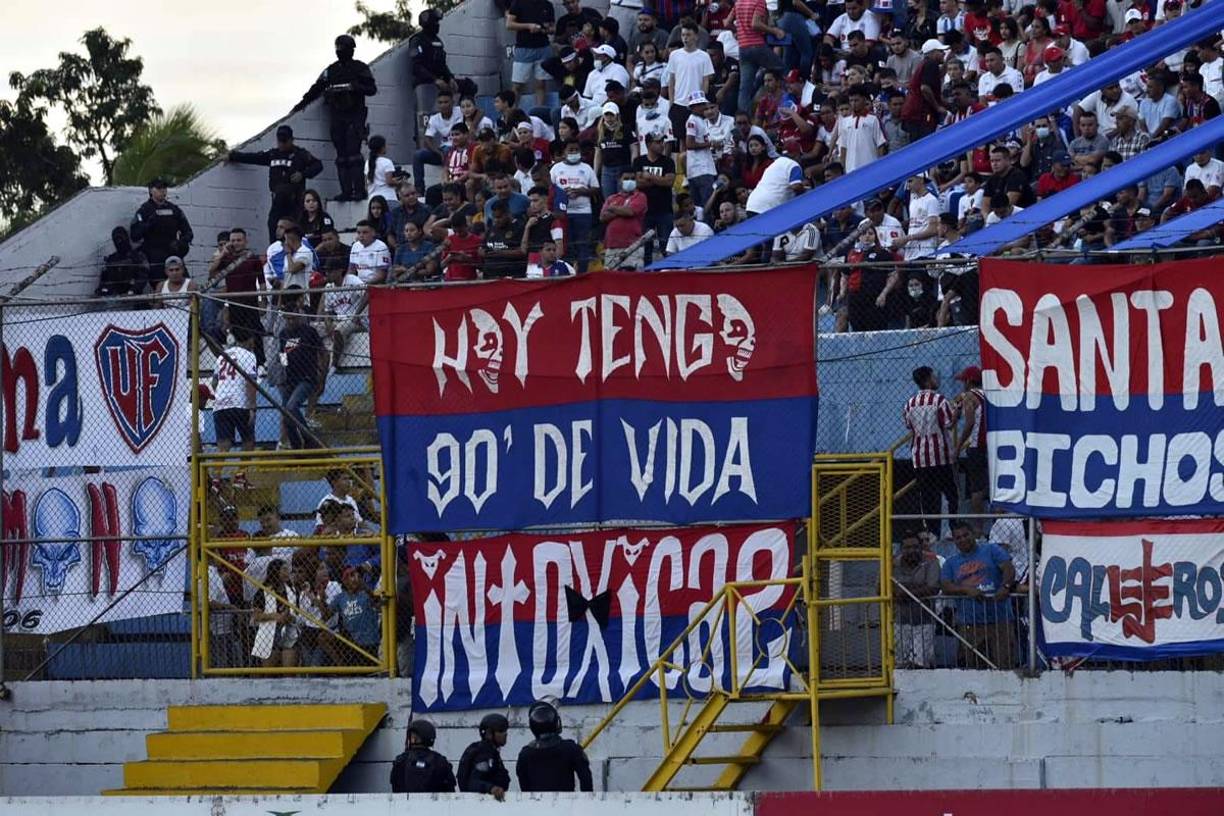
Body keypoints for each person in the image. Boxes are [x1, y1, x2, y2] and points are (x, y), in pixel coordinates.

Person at [292, 35, 378, 201]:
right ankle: (346, 192)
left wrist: (354, 87)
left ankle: (359, 191)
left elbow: (371, 89)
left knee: (354, 155)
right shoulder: (331, 70)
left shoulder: (359, 68)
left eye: (344, 48)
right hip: (338, 116)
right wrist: (299, 106)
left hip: (355, 116)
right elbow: (316, 89)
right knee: (341, 157)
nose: (341, 52)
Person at [228, 125, 324, 242]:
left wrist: (303, 174)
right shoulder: (273, 154)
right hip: (277, 199)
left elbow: (318, 165)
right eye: (280, 141)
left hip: (295, 200)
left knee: (294, 228)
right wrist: (232, 156)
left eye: (285, 141)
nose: (282, 144)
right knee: (274, 227)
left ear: (291, 140)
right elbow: (254, 157)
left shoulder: (300, 154)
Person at [940, 521, 1016, 669]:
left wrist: (1005, 586)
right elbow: (945, 585)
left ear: (973, 534)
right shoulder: (951, 563)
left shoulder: (992, 550)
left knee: (1004, 664)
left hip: (1000, 619)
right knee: (973, 667)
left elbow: (1008, 568)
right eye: (958, 537)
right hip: (970, 623)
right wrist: (966, 590)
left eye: (965, 535)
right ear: (954, 541)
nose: (962, 539)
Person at [903, 365, 959, 532]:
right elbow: (949, 424)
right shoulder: (940, 400)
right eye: (934, 377)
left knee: (927, 496)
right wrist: (957, 412)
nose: (937, 379)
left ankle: (932, 531)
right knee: (951, 493)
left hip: (919, 457)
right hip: (940, 455)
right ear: (928, 379)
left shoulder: (909, 404)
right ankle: (953, 526)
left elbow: (908, 425)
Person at [278, 292, 323, 450]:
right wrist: (284, 370)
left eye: (293, 318)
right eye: (287, 319)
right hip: (290, 379)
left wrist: (321, 375)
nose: (290, 322)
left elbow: (322, 352)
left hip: (306, 377)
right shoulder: (283, 334)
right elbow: (282, 354)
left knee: (291, 407)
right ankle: (296, 445)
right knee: (285, 413)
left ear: (298, 316)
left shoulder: (308, 332)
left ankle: (308, 437)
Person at [516, 701, 593, 792]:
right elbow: (586, 780)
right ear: (556, 723)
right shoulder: (571, 748)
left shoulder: (525, 754)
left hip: (536, 804)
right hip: (567, 804)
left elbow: (524, 786)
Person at [131, 178, 194, 287]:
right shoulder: (144, 210)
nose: (163, 191)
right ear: (151, 191)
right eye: (159, 188)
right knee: (160, 288)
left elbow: (188, 232)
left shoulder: (174, 209)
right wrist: (148, 224)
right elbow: (134, 235)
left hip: (173, 253)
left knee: (186, 287)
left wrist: (180, 243)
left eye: (164, 188)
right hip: (154, 256)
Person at [893, 531, 941, 669]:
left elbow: (933, 587)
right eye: (907, 548)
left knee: (919, 663)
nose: (911, 550)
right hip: (899, 622)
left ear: (921, 547)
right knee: (899, 664)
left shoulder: (931, 561)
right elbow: (882, 588)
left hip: (924, 621)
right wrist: (918, 587)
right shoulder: (893, 563)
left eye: (915, 547)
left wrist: (905, 592)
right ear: (901, 549)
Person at [551, 141, 599, 273]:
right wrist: (562, 193)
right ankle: (567, 273)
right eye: (570, 150)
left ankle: (583, 273)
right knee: (567, 246)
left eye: (576, 150)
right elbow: (551, 188)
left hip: (584, 212)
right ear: (564, 152)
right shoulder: (556, 168)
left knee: (582, 245)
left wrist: (580, 191)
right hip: (563, 214)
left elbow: (595, 189)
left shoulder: (587, 168)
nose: (573, 153)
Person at [408, 8, 456, 138]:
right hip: (423, 86)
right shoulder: (417, 40)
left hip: (439, 86)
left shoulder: (438, 41)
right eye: (435, 23)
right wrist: (434, 80)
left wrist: (450, 78)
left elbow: (442, 65)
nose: (437, 25)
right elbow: (416, 67)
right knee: (425, 120)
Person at [211, 333, 258, 454]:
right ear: (250, 340)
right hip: (240, 403)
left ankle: (216, 473)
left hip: (221, 403)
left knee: (223, 446)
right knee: (248, 442)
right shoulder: (249, 355)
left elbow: (214, 382)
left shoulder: (223, 356)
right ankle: (241, 472)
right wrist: (252, 407)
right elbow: (250, 382)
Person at [508, 0, 557, 107]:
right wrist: (528, 26)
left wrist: (545, 29)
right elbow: (509, 24)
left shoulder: (547, 5)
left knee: (541, 83)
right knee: (517, 84)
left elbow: (553, 28)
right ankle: (511, 111)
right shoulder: (518, 3)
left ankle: (539, 111)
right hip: (524, 48)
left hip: (543, 47)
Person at [391, 719, 456, 794]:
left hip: (405, 805)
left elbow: (396, 789)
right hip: (436, 805)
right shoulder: (440, 761)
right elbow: (450, 792)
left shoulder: (401, 760)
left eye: (414, 736)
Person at [601, 168, 648, 270]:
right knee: (612, 279)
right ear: (619, 180)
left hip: (633, 246)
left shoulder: (640, 196)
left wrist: (613, 208)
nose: (629, 181)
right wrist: (622, 210)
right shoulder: (612, 198)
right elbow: (603, 217)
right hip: (612, 246)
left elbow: (630, 212)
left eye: (632, 178)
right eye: (626, 178)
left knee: (633, 279)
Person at [457, 713, 511, 799]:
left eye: (505, 731)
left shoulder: (492, 752)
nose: (505, 734)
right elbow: (473, 783)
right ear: (489, 734)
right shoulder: (484, 753)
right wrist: (491, 788)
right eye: (500, 731)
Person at [97, 226, 149, 299]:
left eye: (121, 239)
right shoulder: (111, 259)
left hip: (135, 297)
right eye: (116, 240)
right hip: (114, 297)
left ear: (126, 238)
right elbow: (105, 279)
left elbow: (143, 276)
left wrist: (132, 291)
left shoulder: (137, 256)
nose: (119, 242)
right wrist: (104, 291)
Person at [348, 220, 391, 285]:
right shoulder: (355, 246)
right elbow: (351, 270)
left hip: (376, 285)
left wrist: (364, 285)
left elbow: (382, 275)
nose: (361, 235)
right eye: (359, 233)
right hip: (358, 284)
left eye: (365, 232)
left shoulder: (381, 247)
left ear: (373, 232)